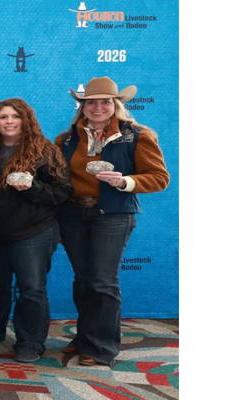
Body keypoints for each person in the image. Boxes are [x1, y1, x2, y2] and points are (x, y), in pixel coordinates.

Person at [56, 77, 169, 367]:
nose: (98, 107)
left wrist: (125, 181)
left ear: (115, 104)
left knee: (103, 281)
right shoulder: (66, 139)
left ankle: (101, 347)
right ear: (82, 107)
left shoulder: (137, 135)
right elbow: (56, 179)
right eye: (90, 102)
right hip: (73, 215)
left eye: (105, 101)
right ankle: (85, 336)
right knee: (83, 280)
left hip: (114, 214)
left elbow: (159, 178)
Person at [0, 98, 74, 363]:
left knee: (32, 289)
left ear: (26, 120)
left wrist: (31, 187)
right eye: (3, 117)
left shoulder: (44, 150)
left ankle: (30, 343)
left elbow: (63, 192)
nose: (9, 121)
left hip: (34, 231)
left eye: (16, 116)